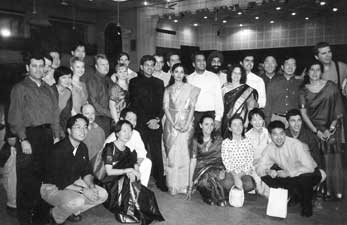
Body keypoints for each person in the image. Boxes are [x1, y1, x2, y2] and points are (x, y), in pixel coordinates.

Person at [8, 52, 60, 225]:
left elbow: (55, 115)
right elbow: (15, 117)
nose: (38, 69)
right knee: (27, 181)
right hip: (29, 136)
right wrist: (23, 139)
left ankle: (41, 218)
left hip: (47, 136)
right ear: (27, 68)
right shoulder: (20, 88)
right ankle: (24, 220)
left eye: (41, 66)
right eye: (34, 66)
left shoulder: (49, 88)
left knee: (46, 179)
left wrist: (56, 136)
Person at [41, 114, 108, 225]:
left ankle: (69, 210)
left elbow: (87, 171)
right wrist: (84, 190)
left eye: (85, 127)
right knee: (78, 200)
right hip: (51, 187)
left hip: (72, 182)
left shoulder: (82, 147)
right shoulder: (58, 150)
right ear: (69, 130)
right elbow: (59, 181)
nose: (83, 131)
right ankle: (55, 215)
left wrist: (91, 187)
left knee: (102, 194)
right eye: (78, 127)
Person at [101, 120, 163, 224]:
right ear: (117, 133)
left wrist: (135, 170)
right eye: (124, 131)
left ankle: (135, 210)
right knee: (129, 182)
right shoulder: (110, 147)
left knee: (146, 193)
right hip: (110, 182)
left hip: (121, 179)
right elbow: (109, 171)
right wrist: (128, 171)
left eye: (130, 131)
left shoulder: (127, 150)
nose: (128, 134)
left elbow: (132, 162)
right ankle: (125, 212)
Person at [299, 60, 344, 200]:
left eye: (317, 69)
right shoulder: (303, 90)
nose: (314, 73)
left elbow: (339, 110)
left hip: (331, 130)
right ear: (307, 72)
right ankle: (315, 190)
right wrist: (315, 131)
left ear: (321, 72)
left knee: (330, 160)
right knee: (313, 160)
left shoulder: (331, 87)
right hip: (311, 129)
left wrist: (330, 128)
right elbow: (303, 113)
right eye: (311, 69)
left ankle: (331, 191)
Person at [256, 120, 321, 217]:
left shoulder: (296, 144)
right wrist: (268, 171)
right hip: (290, 175)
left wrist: (289, 173)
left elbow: (309, 167)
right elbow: (260, 167)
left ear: (285, 133)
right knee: (265, 176)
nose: (279, 138)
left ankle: (307, 205)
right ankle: (293, 194)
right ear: (270, 136)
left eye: (281, 133)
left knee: (305, 178)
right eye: (275, 134)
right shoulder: (269, 148)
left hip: (309, 173)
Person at [128, 55, 167, 191]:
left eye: (152, 65)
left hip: (155, 123)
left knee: (157, 153)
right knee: (140, 153)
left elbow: (163, 105)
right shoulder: (134, 82)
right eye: (147, 65)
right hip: (140, 123)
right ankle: (139, 180)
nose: (150, 68)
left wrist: (156, 119)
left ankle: (160, 180)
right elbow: (133, 104)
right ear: (141, 67)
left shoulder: (159, 83)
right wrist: (145, 121)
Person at [163, 63, 200, 195]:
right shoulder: (168, 90)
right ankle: (173, 186)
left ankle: (184, 186)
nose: (179, 74)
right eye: (176, 72)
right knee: (172, 156)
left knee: (185, 155)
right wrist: (173, 124)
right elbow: (166, 108)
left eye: (181, 72)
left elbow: (192, 108)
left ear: (184, 74)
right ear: (172, 73)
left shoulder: (191, 89)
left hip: (187, 125)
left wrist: (186, 124)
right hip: (171, 126)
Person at [186, 115, 230, 206]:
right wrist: (190, 186)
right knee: (203, 182)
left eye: (211, 124)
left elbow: (225, 156)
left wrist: (224, 169)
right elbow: (193, 161)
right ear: (200, 125)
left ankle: (214, 197)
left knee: (211, 176)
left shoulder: (218, 138)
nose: (209, 127)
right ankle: (211, 197)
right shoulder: (195, 139)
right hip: (201, 167)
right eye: (206, 124)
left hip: (216, 166)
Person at [104, 108, 152, 186]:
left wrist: (135, 167)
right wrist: (129, 170)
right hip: (113, 170)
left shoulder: (135, 133)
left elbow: (142, 152)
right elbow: (109, 168)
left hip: (127, 166)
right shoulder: (111, 142)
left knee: (147, 162)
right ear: (121, 119)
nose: (132, 122)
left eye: (134, 120)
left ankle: (140, 190)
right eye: (130, 119)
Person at [187, 52, 224, 131]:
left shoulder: (214, 77)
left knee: (213, 141)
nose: (202, 63)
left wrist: (218, 118)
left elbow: (218, 99)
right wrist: (188, 118)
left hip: (211, 114)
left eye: (203, 60)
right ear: (194, 64)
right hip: (195, 116)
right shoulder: (188, 79)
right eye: (199, 61)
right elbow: (187, 101)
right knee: (196, 141)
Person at [221, 116, 256, 195]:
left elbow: (249, 161)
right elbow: (226, 161)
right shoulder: (226, 142)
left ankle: (236, 189)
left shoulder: (248, 142)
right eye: (235, 125)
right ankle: (236, 188)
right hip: (231, 172)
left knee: (250, 185)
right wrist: (235, 176)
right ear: (230, 128)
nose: (238, 127)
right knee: (227, 184)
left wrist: (239, 176)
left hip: (243, 172)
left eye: (240, 124)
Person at [221, 65, 258, 136]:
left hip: (241, 120)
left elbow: (251, 106)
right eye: (234, 73)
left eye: (239, 73)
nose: (236, 75)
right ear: (230, 74)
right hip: (227, 120)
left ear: (242, 75)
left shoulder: (247, 89)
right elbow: (221, 105)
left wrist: (246, 121)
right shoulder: (224, 88)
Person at [264, 56, 302, 125]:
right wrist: (268, 122)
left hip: (294, 121)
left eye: (293, 64)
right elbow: (268, 105)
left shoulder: (299, 84)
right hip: (276, 119)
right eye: (287, 64)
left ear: (295, 67)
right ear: (282, 67)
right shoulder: (273, 83)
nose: (290, 67)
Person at [86, 54, 113, 136]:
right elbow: (94, 103)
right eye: (102, 64)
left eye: (107, 64)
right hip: (98, 118)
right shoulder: (92, 81)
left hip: (109, 118)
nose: (106, 67)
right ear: (96, 66)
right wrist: (111, 114)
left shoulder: (109, 79)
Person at [52, 66, 73, 138]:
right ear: (57, 78)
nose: (67, 80)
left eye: (69, 77)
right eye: (64, 78)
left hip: (62, 126)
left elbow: (67, 115)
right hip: (50, 126)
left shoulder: (68, 92)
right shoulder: (50, 91)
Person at [1, 132, 17, 217]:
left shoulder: (7, 148)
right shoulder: (6, 149)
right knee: (11, 185)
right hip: (10, 176)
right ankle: (12, 206)